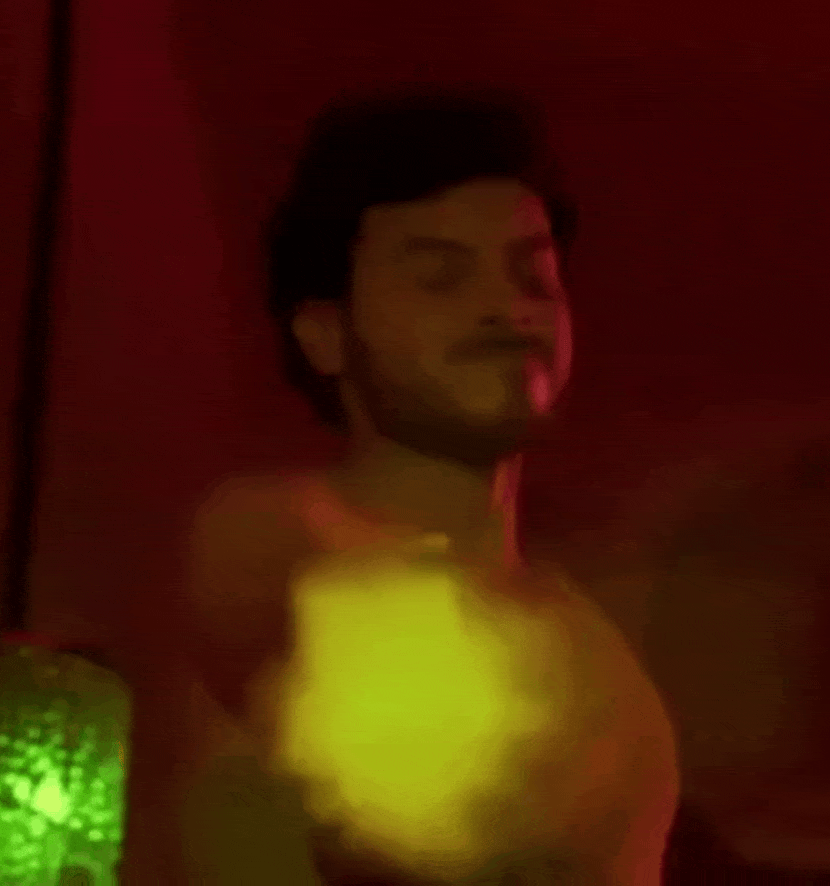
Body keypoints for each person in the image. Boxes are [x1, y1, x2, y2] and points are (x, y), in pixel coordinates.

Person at [178, 84, 679, 885]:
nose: (505, 308)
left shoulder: (601, 664)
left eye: (533, 277)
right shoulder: (271, 541)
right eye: (440, 278)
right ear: (326, 334)